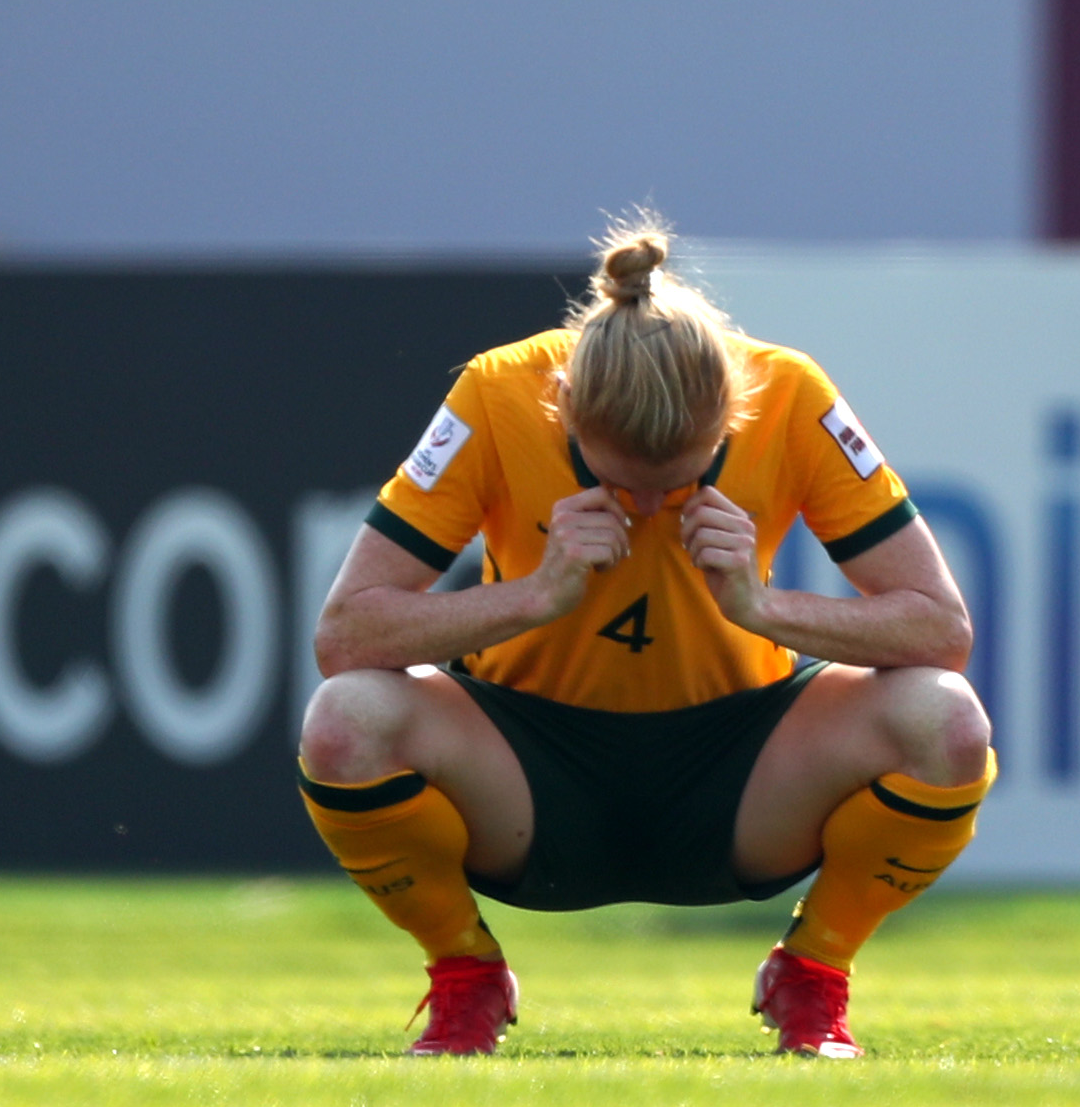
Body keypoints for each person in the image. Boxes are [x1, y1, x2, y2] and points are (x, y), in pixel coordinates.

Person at [293, 218, 993, 1056]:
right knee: (345, 719)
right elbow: (345, 634)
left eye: (685, 477)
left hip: (740, 772)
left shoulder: (790, 391)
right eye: (625, 484)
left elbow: (941, 629)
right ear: (566, 412)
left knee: (946, 719)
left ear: (734, 411)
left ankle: (815, 973)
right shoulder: (499, 391)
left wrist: (763, 609)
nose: (654, 508)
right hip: (525, 771)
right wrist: (537, 593)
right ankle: (465, 976)